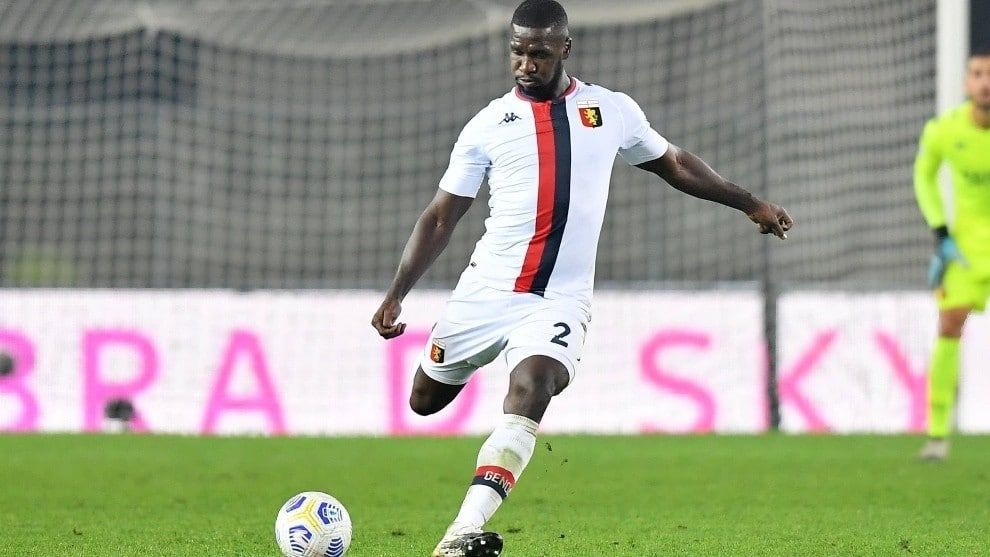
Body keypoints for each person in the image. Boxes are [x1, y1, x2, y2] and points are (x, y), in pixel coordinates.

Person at [371, 1, 793, 555]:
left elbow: (676, 164)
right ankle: (460, 408)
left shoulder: (609, 110)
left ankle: (460, 532)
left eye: (539, 53)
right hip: (486, 291)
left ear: (564, 49)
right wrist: (396, 294)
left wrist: (749, 202)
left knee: (533, 387)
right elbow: (440, 217)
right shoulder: (486, 126)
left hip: (559, 300)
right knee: (424, 401)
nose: (526, 64)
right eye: (517, 52)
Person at [914, 48, 990, 461]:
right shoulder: (944, 130)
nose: (986, 83)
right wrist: (941, 233)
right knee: (949, 324)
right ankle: (938, 435)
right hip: (967, 249)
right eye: (978, 73)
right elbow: (923, 176)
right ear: (966, 82)